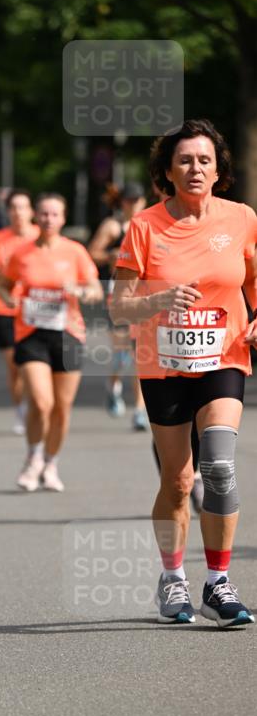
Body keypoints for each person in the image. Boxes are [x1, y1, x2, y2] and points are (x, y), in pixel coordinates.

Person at [111, 118, 257, 628]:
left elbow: (254, 278)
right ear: (167, 171)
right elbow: (119, 307)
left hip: (224, 356)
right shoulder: (145, 226)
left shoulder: (241, 218)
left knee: (218, 466)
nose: (195, 169)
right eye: (184, 161)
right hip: (164, 365)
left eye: (204, 160)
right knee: (177, 481)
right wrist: (159, 298)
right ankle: (172, 576)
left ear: (219, 170)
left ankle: (218, 581)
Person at [0, 193, 102, 492]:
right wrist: (13, 302)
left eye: (54, 214)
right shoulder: (22, 253)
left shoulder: (75, 252)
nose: (48, 219)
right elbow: (6, 287)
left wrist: (81, 293)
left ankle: (51, 463)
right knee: (42, 403)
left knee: (62, 408)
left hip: (68, 334)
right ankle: (32, 458)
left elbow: (95, 289)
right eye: (43, 214)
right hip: (31, 335)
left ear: (63, 219)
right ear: (37, 217)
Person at [88, 182, 148, 429]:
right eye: (129, 200)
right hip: (119, 295)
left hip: (145, 296)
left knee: (141, 356)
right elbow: (92, 252)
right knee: (123, 354)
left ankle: (139, 411)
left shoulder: (150, 225)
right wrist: (112, 256)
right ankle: (113, 385)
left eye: (138, 200)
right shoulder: (114, 226)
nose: (134, 204)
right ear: (121, 202)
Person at [0, 190, 40, 434]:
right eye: (13, 208)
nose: (18, 212)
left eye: (23, 207)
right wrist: (11, 269)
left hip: (35, 311)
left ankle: (32, 405)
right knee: (15, 366)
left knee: (32, 364)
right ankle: (20, 408)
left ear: (31, 212)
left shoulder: (40, 236)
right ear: (8, 212)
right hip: (5, 309)